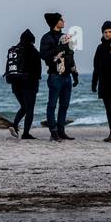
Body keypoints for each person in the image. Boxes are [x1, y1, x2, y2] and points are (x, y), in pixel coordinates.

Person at [40, 13, 79, 141]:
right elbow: (44, 55)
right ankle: (53, 131)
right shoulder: (47, 38)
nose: (63, 21)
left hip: (67, 76)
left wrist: (75, 74)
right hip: (55, 75)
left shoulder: (66, 37)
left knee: (64, 105)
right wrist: (60, 48)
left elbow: (70, 56)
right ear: (55, 22)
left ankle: (61, 130)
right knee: (52, 105)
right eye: (61, 19)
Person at [7, 29, 41, 139]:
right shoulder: (32, 51)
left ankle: (14, 125)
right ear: (32, 40)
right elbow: (38, 69)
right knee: (29, 109)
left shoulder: (14, 50)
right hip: (29, 84)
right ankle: (26, 133)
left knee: (23, 107)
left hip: (15, 83)